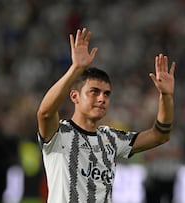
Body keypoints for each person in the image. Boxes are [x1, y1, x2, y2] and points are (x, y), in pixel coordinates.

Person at [36, 28, 176, 203]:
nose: (101, 98)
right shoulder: (59, 134)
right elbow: (45, 112)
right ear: (75, 96)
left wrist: (166, 97)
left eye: (106, 94)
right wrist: (76, 69)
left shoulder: (111, 138)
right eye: (94, 92)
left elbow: (160, 135)